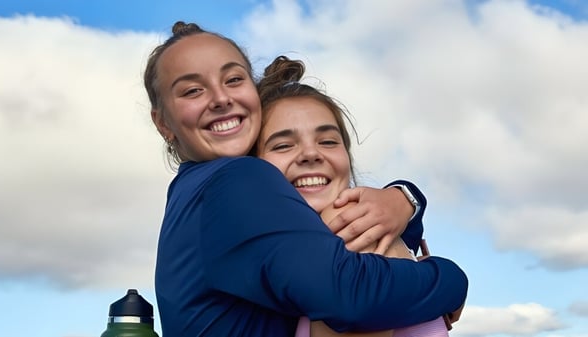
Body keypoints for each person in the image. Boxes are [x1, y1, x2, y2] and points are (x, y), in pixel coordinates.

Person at [144, 21, 468, 337]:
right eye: (192, 90)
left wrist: (406, 200)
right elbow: (351, 298)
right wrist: (451, 279)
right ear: (163, 123)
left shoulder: (193, 192)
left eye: (233, 79)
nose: (220, 98)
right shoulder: (240, 177)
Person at [255, 56, 457, 337]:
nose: (311, 154)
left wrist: (405, 198)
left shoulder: (351, 223)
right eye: (284, 145)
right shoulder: (286, 251)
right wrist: (448, 279)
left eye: (327, 141)